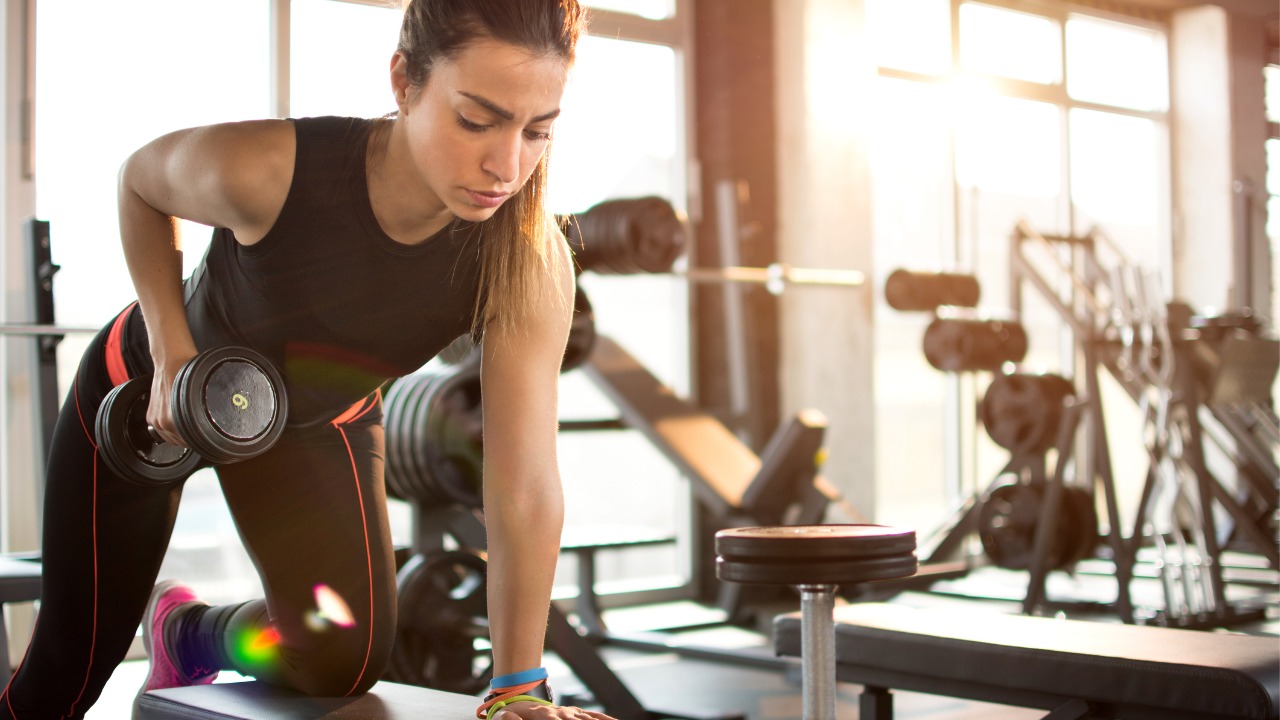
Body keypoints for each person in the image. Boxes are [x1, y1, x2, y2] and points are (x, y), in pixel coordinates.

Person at [0, 1, 615, 718]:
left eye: (537, 130)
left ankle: (188, 633)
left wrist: (516, 688)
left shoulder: (527, 259)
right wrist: (171, 354)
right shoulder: (273, 169)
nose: (505, 165)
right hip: (155, 393)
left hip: (311, 420)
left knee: (341, 659)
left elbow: (525, 486)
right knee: (69, 672)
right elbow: (140, 181)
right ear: (404, 81)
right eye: (476, 120)